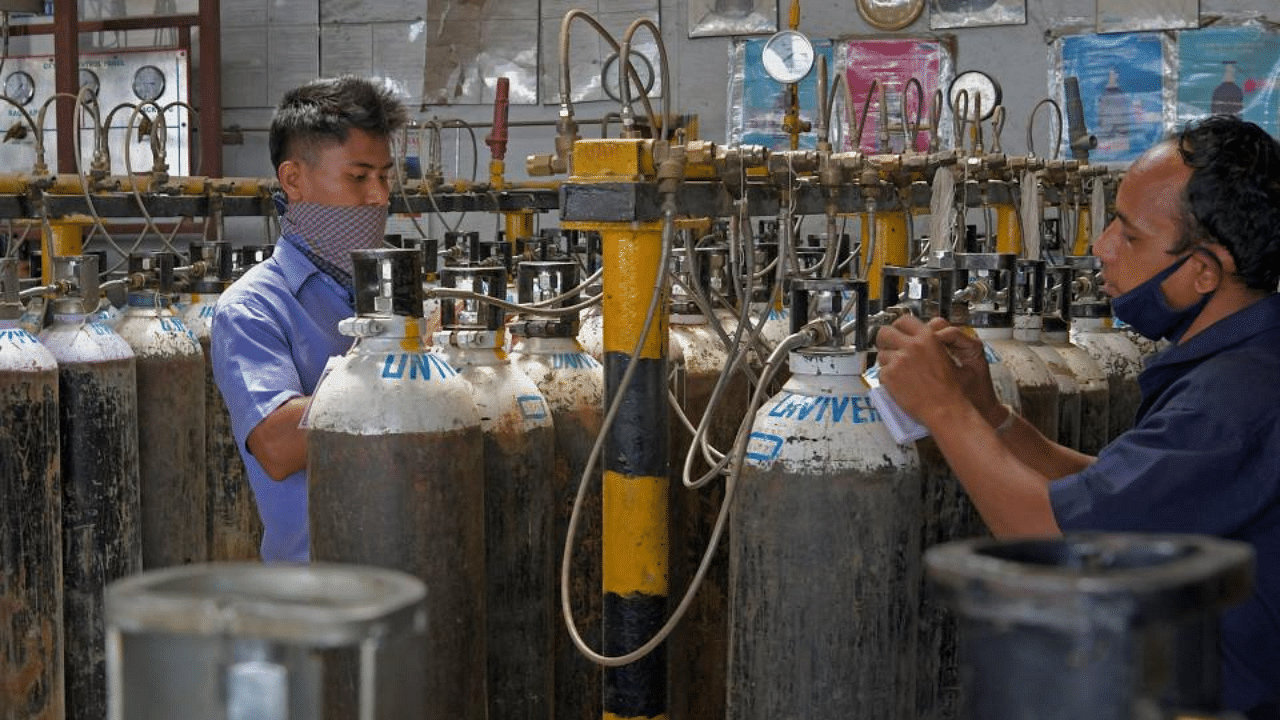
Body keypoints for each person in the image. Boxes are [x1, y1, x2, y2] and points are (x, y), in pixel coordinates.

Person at [875, 115, 1280, 717]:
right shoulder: (1238, 363)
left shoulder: (1231, 401)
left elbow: (1061, 545)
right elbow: (1112, 497)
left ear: (1203, 271)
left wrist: (945, 409)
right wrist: (991, 415)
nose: (1101, 248)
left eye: (1131, 235)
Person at [211, 76, 407, 563]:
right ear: (294, 180)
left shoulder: (398, 286)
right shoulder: (254, 307)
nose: (378, 197)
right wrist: (403, 371)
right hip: (318, 589)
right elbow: (276, 446)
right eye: (359, 177)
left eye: (385, 176)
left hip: (413, 564)